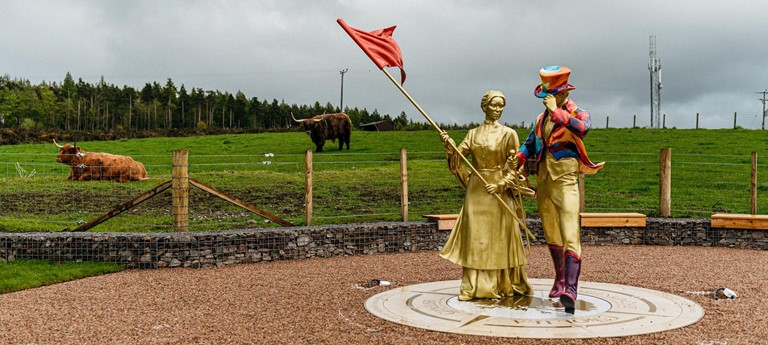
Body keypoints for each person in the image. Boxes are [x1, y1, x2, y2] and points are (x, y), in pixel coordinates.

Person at [515, 65, 604, 313]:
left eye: (550, 96)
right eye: (545, 97)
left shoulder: (578, 113)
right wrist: (520, 157)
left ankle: (571, 290)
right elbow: (530, 141)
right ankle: (560, 279)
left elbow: (583, 129)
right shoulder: (540, 119)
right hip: (544, 181)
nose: (546, 101)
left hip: (565, 180)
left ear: (563, 94)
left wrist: (557, 112)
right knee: (551, 232)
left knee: (569, 231)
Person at [439, 90, 533, 301]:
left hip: (498, 192)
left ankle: (500, 284)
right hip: (476, 191)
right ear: (484, 107)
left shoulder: (509, 134)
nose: (498, 110)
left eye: (501, 106)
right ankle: (472, 285)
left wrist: (500, 184)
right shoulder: (473, 134)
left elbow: (516, 167)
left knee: (497, 237)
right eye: (494, 105)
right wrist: (449, 146)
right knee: (476, 237)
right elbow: (458, 159)